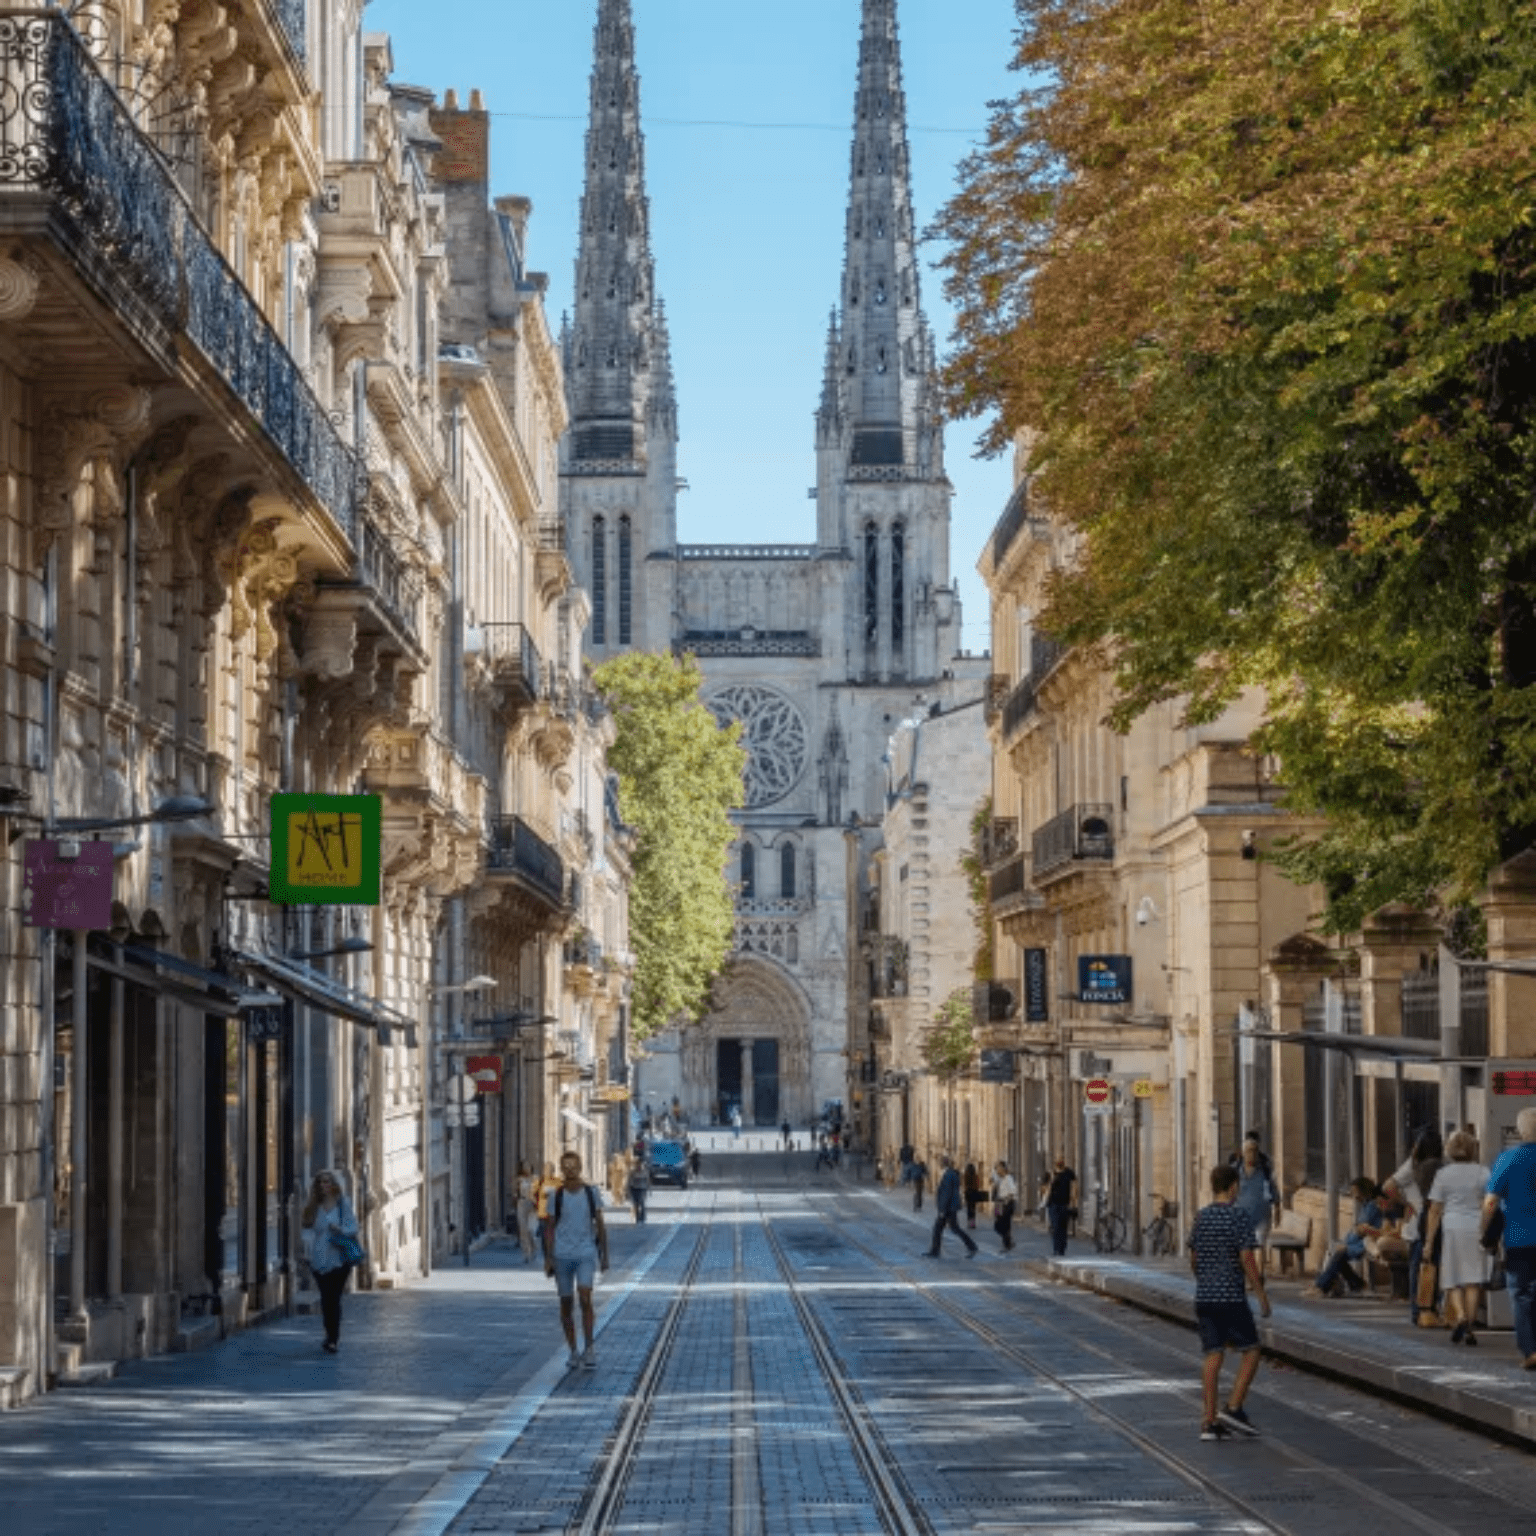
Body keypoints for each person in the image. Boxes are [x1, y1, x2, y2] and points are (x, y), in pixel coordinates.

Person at [1189, 1164, 1271, 1441]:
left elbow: (1195, 1259)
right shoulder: (1239, 1216)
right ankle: (1234, 1407)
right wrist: (1261, 1295)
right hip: (1232, 1298)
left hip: (1205, 1297)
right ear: (1233, 1186)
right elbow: (1247, 1258)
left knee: (1213, 1354)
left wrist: (1204, 1280)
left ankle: (1208, 1422)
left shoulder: (1201, 1218)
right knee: (1252, 1349)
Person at [1424, 1130, 1491, 1345]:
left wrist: (1428, 1242)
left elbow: (1434, 1210)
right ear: (1473, 1149)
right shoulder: (1483, 1172)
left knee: (1452, 1279)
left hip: (1452, 1227)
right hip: (1476, 1227)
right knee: (1473, 1280)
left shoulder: (1443, 1175)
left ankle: (1460, 1316)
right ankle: (1469, 1326)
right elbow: (1488, 1203)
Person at [544, 1151, 609, 1370]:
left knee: (585, 1298)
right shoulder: (556, 1195)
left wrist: (605, 1255)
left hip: (585, 1254)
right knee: (566, 1304)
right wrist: (548, 1258)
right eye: (566, 1166)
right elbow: (550, 1228)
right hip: (562, 1256)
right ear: (562, 1169)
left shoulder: (591, 1192)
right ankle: (573, 1350)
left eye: (574, 1166)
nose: (570, 1169)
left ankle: (589, 1347)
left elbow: (599, 1223)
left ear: (580, 1167)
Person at [1485, 1106, 1536, 1370]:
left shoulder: (1508, 1159)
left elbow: (1490, 1202)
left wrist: (1485, 1232)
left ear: (1519, 1131)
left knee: (1522, 1294)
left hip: (1519, 1238)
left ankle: (1530, 1351)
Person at [1386, 1128, 1444, 1326]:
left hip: (1418, 1222)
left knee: (1420, 1268)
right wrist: (1407, 1203)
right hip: (1434, 1221)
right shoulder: (1441, 1165)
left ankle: (1419, 1311)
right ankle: (1427, 1310)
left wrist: (1406, 1203)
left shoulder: (1413, 1164)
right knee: (1430, 1266)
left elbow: (1387, 1187)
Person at [1305, 1177, 1397, 1298]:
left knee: (1340, 1254)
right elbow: (1359, 1228)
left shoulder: (1373, 1206)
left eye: (1355, 1191)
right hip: (1362, 1240)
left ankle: (1321, 1286)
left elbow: (1362, 1231)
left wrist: (1347, 1243)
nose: (1353, 1195)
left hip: (1368, 1242)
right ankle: (1354, 1283)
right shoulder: (1366, 1205)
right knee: (1338, 1252)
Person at [302, 1169, 360, 1355]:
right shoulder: (313, 1206)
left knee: (334, 1298)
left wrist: (340, 1229)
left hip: (340, 1258)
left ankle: (333, 1339)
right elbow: (306, 1231)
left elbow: (353, 1227)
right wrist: (306, 1251)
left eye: (327, 1182)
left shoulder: (343, 1204)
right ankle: (329, 1335)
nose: (323, 1186)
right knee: (326, 1299)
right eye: (320, 1183)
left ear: (334, 1184)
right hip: (319, 1258)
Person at [924, 1155, 978, 1259]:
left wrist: (942, 1210)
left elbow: (946, 1193)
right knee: (950, 1228)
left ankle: (971, 1246)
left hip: (948, 1208)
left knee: (943, 1228)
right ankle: (971, 1246)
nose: (938, 1164)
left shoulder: (948, 1175)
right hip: (954, 1205)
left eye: (940, 1162)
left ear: (942, 1164)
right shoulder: (952, 1173)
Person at [1233, 1139, 1279, 1249]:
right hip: (1241, 1218)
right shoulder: (1235, 1171)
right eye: (1249, 1151)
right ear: (1243, 1153)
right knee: (1244, 1249)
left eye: (1255, 1151)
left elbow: (1273, 1190)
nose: (1252, 1154)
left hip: (1261, 1218)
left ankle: (1259, 1266)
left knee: (1259, 1247)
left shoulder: (1265, 1171)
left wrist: (1277, 1209)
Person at [1043, 1155, 1077, 1258]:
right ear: (1055, 1161)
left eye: (1061, 1159)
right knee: (1055, 1226)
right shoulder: (1049, 1174)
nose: (1060, 1161)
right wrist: (1051, 1181)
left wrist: (1074, 1202)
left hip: (1065, 1204)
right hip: (1053, 1204)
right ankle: (1056, 1249)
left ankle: (1062, 1248)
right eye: (1058, 1159)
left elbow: (1075, 1187)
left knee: (1063, 1227)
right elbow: (1044, 1189)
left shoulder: (1069, 1173)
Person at [515, 1161, 539, 1264]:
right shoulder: (519, 1179)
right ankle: (526, 1253)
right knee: (523, 1229)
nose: (527, 1169)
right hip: (522, 1204)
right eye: (525, 1167)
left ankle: (533, 1248)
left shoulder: (535, 1179)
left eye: (528, 1166)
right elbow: (515, 1192)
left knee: (531, 1230)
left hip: (533, 1205)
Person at [993, 1161, 1018, 1252]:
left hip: (1005, 1203)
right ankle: (1008, 1241)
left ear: (1002, 1169)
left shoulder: (1008, 1178)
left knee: (1005, 1225)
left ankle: (1007, 1244)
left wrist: (1007, 1202)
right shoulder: (1000, 1179)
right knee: (997, 1225)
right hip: (999, 1203)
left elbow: (1013, 1192)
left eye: (998, 1169)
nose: (997, 1171)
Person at [627, 1154, 650, 1225]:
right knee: (636, 1204)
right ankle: (637, 1218)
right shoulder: (633, 1171)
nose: (639, 1165)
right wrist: (628, 1190)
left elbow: (647, 1180)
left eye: (640, 1163)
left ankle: (642, 1218)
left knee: (642, 1203)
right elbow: (629, 1180)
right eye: (637, 1163)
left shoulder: (645, 1171)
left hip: (642, 1189)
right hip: (634, 1189)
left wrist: (648, 1189)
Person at [963, 1162, 981, 1229]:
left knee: (968, 1209)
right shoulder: (975, 1175)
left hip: (968, 1192)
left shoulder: (966, 1175)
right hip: (974, 1192)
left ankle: (969, 1223)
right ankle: (973, 1224)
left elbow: (965, 1184)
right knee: (973, 1209)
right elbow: (977, 1185)